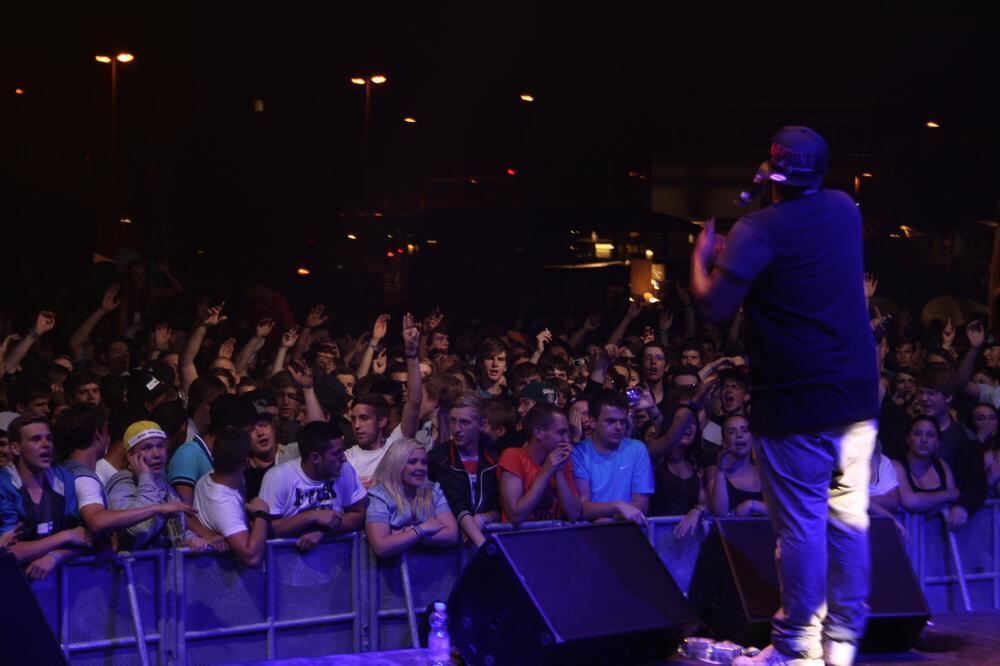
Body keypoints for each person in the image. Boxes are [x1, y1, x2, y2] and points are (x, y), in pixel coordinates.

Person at [692, 127, 880, 666]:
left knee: (801, 528)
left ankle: (796, 648)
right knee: (849, 520)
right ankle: (841, 645)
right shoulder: (845, 209)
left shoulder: (757, 229)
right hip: (856, 401)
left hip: (797, 402)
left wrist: (702, 257)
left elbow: (715, 305)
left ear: (771, 173)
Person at [0, 414, 92, 579]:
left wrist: (56, 555)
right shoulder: (4, 485)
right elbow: (8, 551)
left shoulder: (63, 478)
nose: (45, 445)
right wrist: (64, 536)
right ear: (15, 448)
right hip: (11, 586)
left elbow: (83, 536)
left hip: (59, 586)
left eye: (48, 439)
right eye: (35, 439)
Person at [257, 421, 366, 552]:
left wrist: (323, 531)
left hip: (334, 564)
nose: (343, 458)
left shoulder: (343, 468)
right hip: (289, 563)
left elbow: (360, 515)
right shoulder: (278, 477)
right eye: (336, 453)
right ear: (315, 458)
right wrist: (311, 516)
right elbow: (268, 530)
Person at [105, 421, 209, 551]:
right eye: (147, 448)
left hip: (163, 569)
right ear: (131, 455)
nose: (157, 454)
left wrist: (189, 539)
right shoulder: (121, 482)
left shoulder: (163, 483)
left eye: (160, 446)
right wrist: (145, 477)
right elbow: (140, 529)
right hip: (134, 569)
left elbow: (172, 528)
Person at [570, 389, 654, 526]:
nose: (618, 427)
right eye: (611, 421)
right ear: (592, 422)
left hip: (628, 532)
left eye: (622, 421)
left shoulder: (637, 449)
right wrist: (617, 506)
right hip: (589, 536)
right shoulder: (579, 452)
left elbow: (641, 505)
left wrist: (609, 520)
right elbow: (582, 508)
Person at [428, 393, 502, 546]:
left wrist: (483, 518)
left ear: (482, 424)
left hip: (488, 539)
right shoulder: (439, 458)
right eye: (453, 421)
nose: (457, 429)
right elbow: (456, 503)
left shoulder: (494, 459)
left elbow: (499, 506)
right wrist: (482, 546)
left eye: (465, 422)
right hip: (451, 545)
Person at [365, 438, 459, 557]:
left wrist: (405, 534)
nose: (421, 467)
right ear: (397, 464)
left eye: (424, 462)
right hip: (390, 573)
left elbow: (452, 535)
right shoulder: (379, 496)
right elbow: (381, 547)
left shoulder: (433, 491)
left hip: (430, 570)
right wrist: (420, 530)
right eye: (413, 462)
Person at [193, 428, 271, 567]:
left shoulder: (209, 478)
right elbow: (251, 557)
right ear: (247, 463)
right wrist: (262, 514)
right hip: (225, 582)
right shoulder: (223, 503)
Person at [497, 404, 582, 527]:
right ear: (538, 433)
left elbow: (574, 514)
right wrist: (546, 472)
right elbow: (515, 516)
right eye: (561, 433)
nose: (567, 440)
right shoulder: (513, 456)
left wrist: (557, 472)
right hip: (519, 542)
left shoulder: (563, 462)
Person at [892, 417, 961, 517]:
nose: (923, 440)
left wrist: (946, 498)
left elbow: (954, 500)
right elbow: (911, 502)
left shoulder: (942, 466)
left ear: (937, 443)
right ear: (908, 439)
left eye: (930, 435)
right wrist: (947, 495)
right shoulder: (896, 465)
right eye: (917, 434)